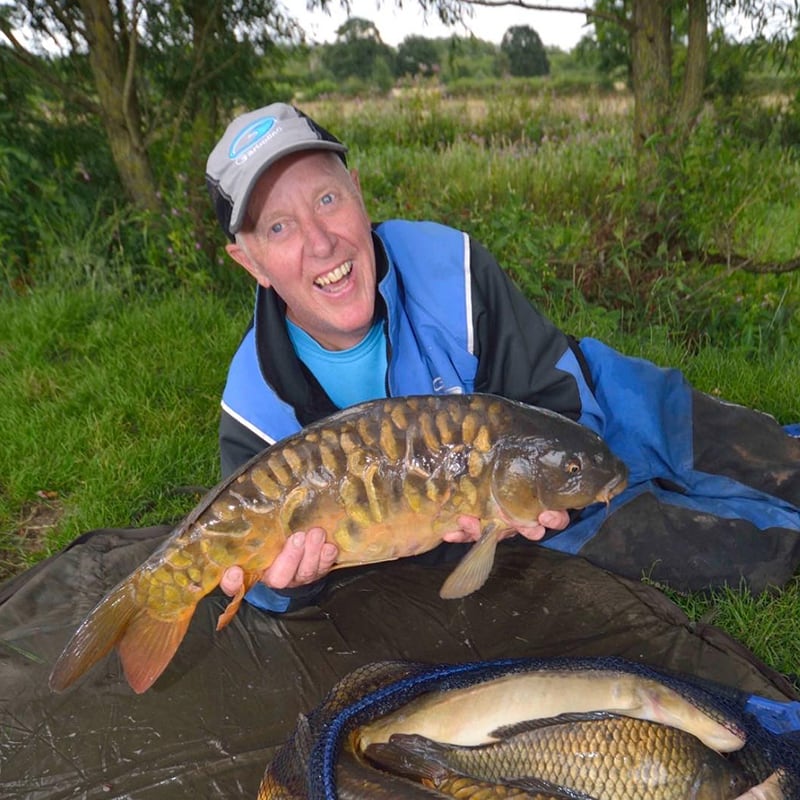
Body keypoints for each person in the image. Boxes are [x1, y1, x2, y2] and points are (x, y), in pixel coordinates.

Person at [205, 102, 800, 613]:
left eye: (328, 198)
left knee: (768, 458)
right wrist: (287, 586)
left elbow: (556, 394)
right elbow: (251, 576)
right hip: (516, 515)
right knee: (730, 552)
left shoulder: (450, 265)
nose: (319, 241)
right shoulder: (256, 406)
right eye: (279, 227)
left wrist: (568, 468)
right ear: (250, 262)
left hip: (593, 404)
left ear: (358, 193)